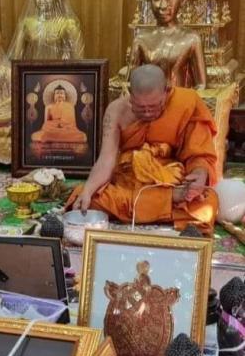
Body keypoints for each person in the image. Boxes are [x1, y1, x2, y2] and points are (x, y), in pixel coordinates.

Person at [68, 64, 218, 234]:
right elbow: (106, 159)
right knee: (82, 197)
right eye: (140, 108)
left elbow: (198, 154)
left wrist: (199, 174)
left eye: (153, 107)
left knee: (206, 205)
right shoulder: (116, 110)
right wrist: (88, 190)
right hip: (130, 184)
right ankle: (165, 204)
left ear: (166, 91)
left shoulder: (186, 103)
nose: (147, 113)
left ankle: (146, 208)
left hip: (169, 181)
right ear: (130, 95)